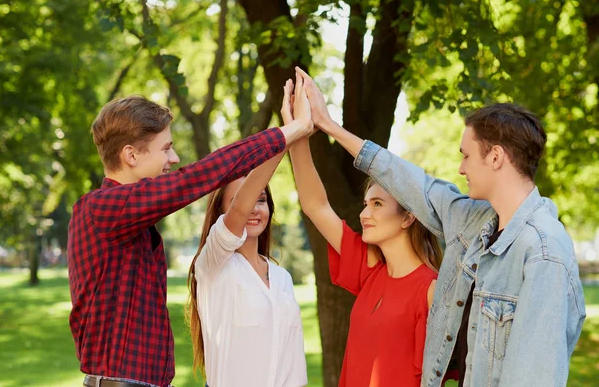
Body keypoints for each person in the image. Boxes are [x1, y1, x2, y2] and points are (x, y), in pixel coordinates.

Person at [294, 67, 586, 387]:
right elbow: (413, 183)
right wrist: (327, 124)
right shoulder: (476, 223)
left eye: (466, 156)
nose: (461, 169)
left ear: (496, 157)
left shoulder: (543, 253)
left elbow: (532, 376)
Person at [67, 94, 313, 387]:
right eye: (166, 149)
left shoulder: (132, 225)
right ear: (131, 155)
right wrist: (288, 132)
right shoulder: (101, 209)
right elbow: (195, 178)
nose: (174, 159)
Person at [285, 76, 442, 387]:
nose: (364, 213)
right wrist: (297, 134)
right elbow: (315, 206)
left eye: (377, 205)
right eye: (366, 203)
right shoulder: (370, 269)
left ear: (408, 217)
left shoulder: (431, 289)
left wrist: (328, 124)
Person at [187, 75, 310, 387]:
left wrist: (295, 134)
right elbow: (239, 210)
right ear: (220, 213)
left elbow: (292, 361)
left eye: (262, 199)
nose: (255, 208)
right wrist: (289, 132)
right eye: (243, 201)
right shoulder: (212, 264)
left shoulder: (281, 278)